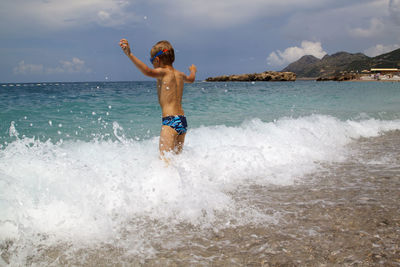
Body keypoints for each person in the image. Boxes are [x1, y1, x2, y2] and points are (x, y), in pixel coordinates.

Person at [119, 39, 197, 160]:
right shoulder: (180, 75)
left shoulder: (164, 72)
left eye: (152, 61)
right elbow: (191, 79)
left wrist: (130, 54)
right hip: (182, 121)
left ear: (157, 60)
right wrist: (193, 70)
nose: (152, 65)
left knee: (164, 161)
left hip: (170, 122)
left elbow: (147, 71)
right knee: (177, 161)